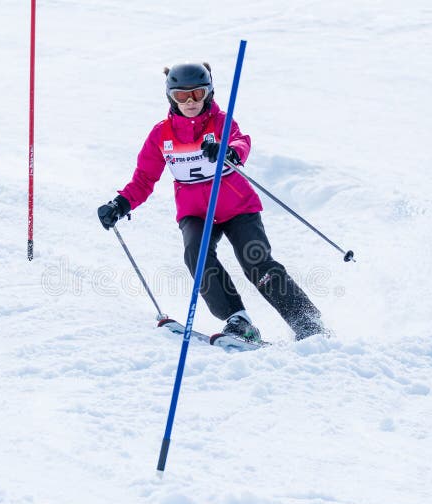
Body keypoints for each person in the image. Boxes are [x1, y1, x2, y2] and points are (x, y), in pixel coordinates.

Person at [97, 62, 325, 342]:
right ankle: (238, 320)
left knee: (256, 260)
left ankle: (307, 323)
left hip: (238, 208)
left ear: (209, 93)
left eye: (198, 94)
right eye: (182, 96)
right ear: (170, 96)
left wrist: (229, 151)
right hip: (195, 212)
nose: (191, 102)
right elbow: (144, 178)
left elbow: (242, 142)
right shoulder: (161, 135)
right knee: (197, 253)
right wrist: (120, 204)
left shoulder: (220, 123)